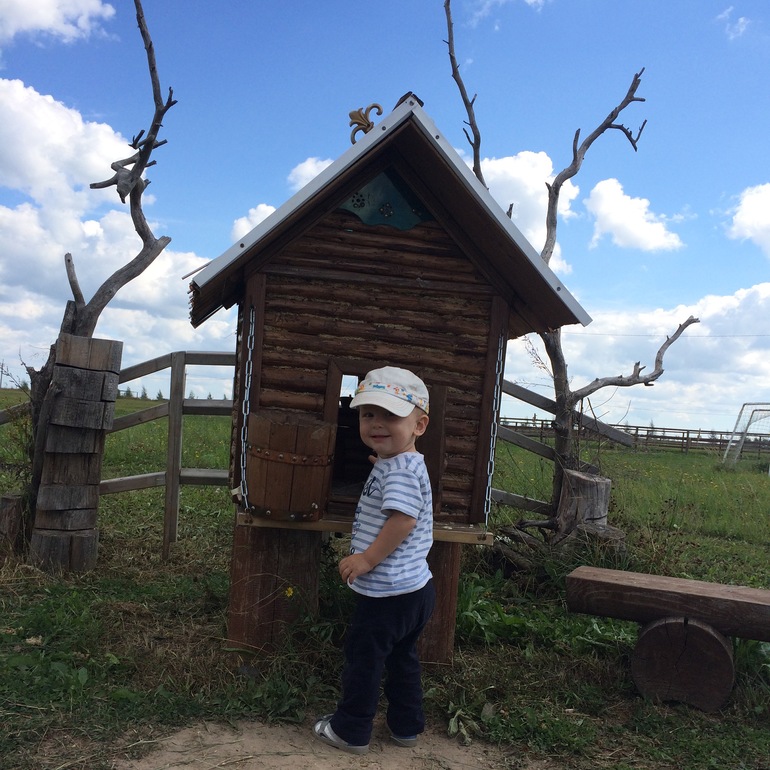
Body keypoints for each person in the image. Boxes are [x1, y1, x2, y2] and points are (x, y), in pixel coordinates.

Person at [314, 366, 436, 755]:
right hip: (414, 589)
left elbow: (403, 520)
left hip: (387, 592)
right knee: (402, 658)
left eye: (390, 416)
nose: (376, 423)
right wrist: (382, 464)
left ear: (419, 425)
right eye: (368, 414)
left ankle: (351, 731)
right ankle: (406, 727)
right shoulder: (403, 463)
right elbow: (400, 489)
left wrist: (367, 559)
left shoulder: (398, 470)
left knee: (364, 660)